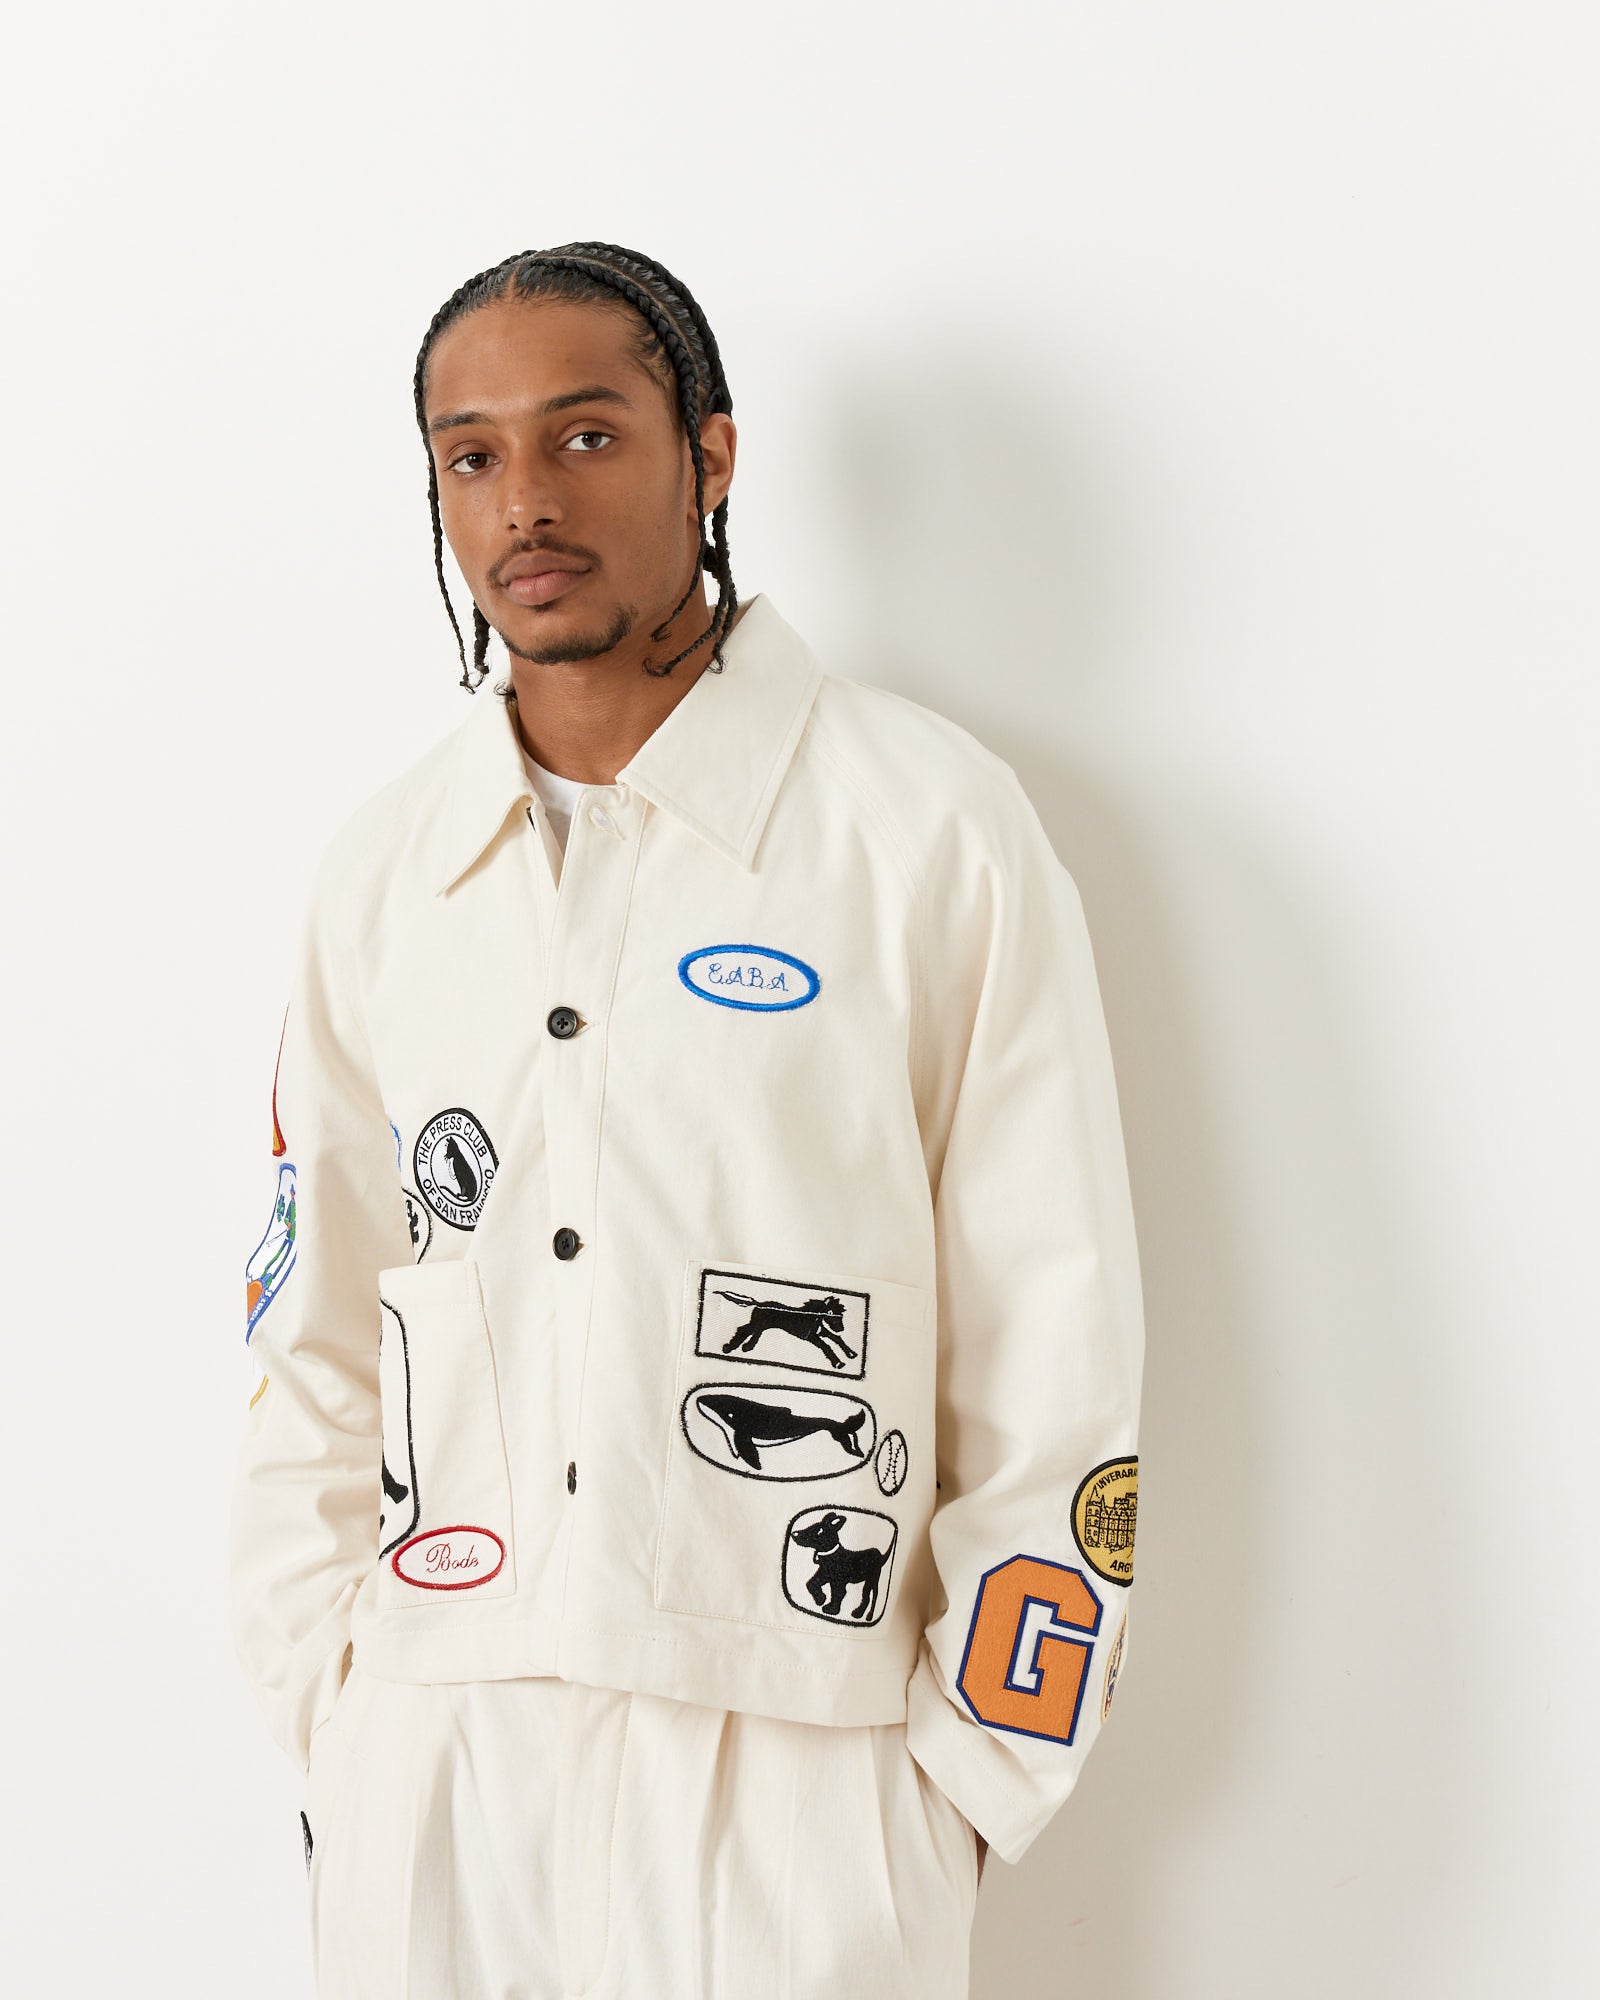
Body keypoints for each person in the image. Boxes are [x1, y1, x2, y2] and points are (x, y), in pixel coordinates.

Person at [230, 241, 1146, 1999]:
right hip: (438, 1761)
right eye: (472, 455)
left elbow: (1057, 1334)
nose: (525, 500)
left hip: (799, 1780)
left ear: (708, 457)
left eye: (585, 436)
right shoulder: (387, 876)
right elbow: (309, 1329)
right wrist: (335, 1707)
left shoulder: (925, 832)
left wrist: (966, 1782)